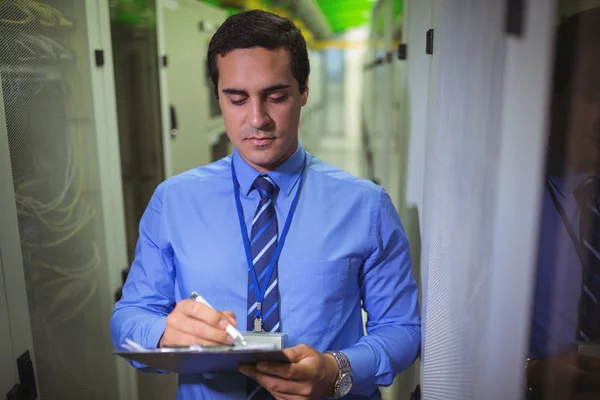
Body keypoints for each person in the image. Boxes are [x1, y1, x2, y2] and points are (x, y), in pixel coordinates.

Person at [110, 9, 421, 400]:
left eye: (275, 97)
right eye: (236, 99)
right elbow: (128, 318)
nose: (257, 119)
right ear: (218, 96)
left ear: (305, 90)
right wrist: (161, 333)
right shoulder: (173, 202)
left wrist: (336, 370)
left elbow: (402, 329)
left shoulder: (366, 206)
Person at [526, 6, 600, 400]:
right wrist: (531, 372)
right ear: (552, 93)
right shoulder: (510, 198)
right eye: (594, 94)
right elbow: (450, 338)